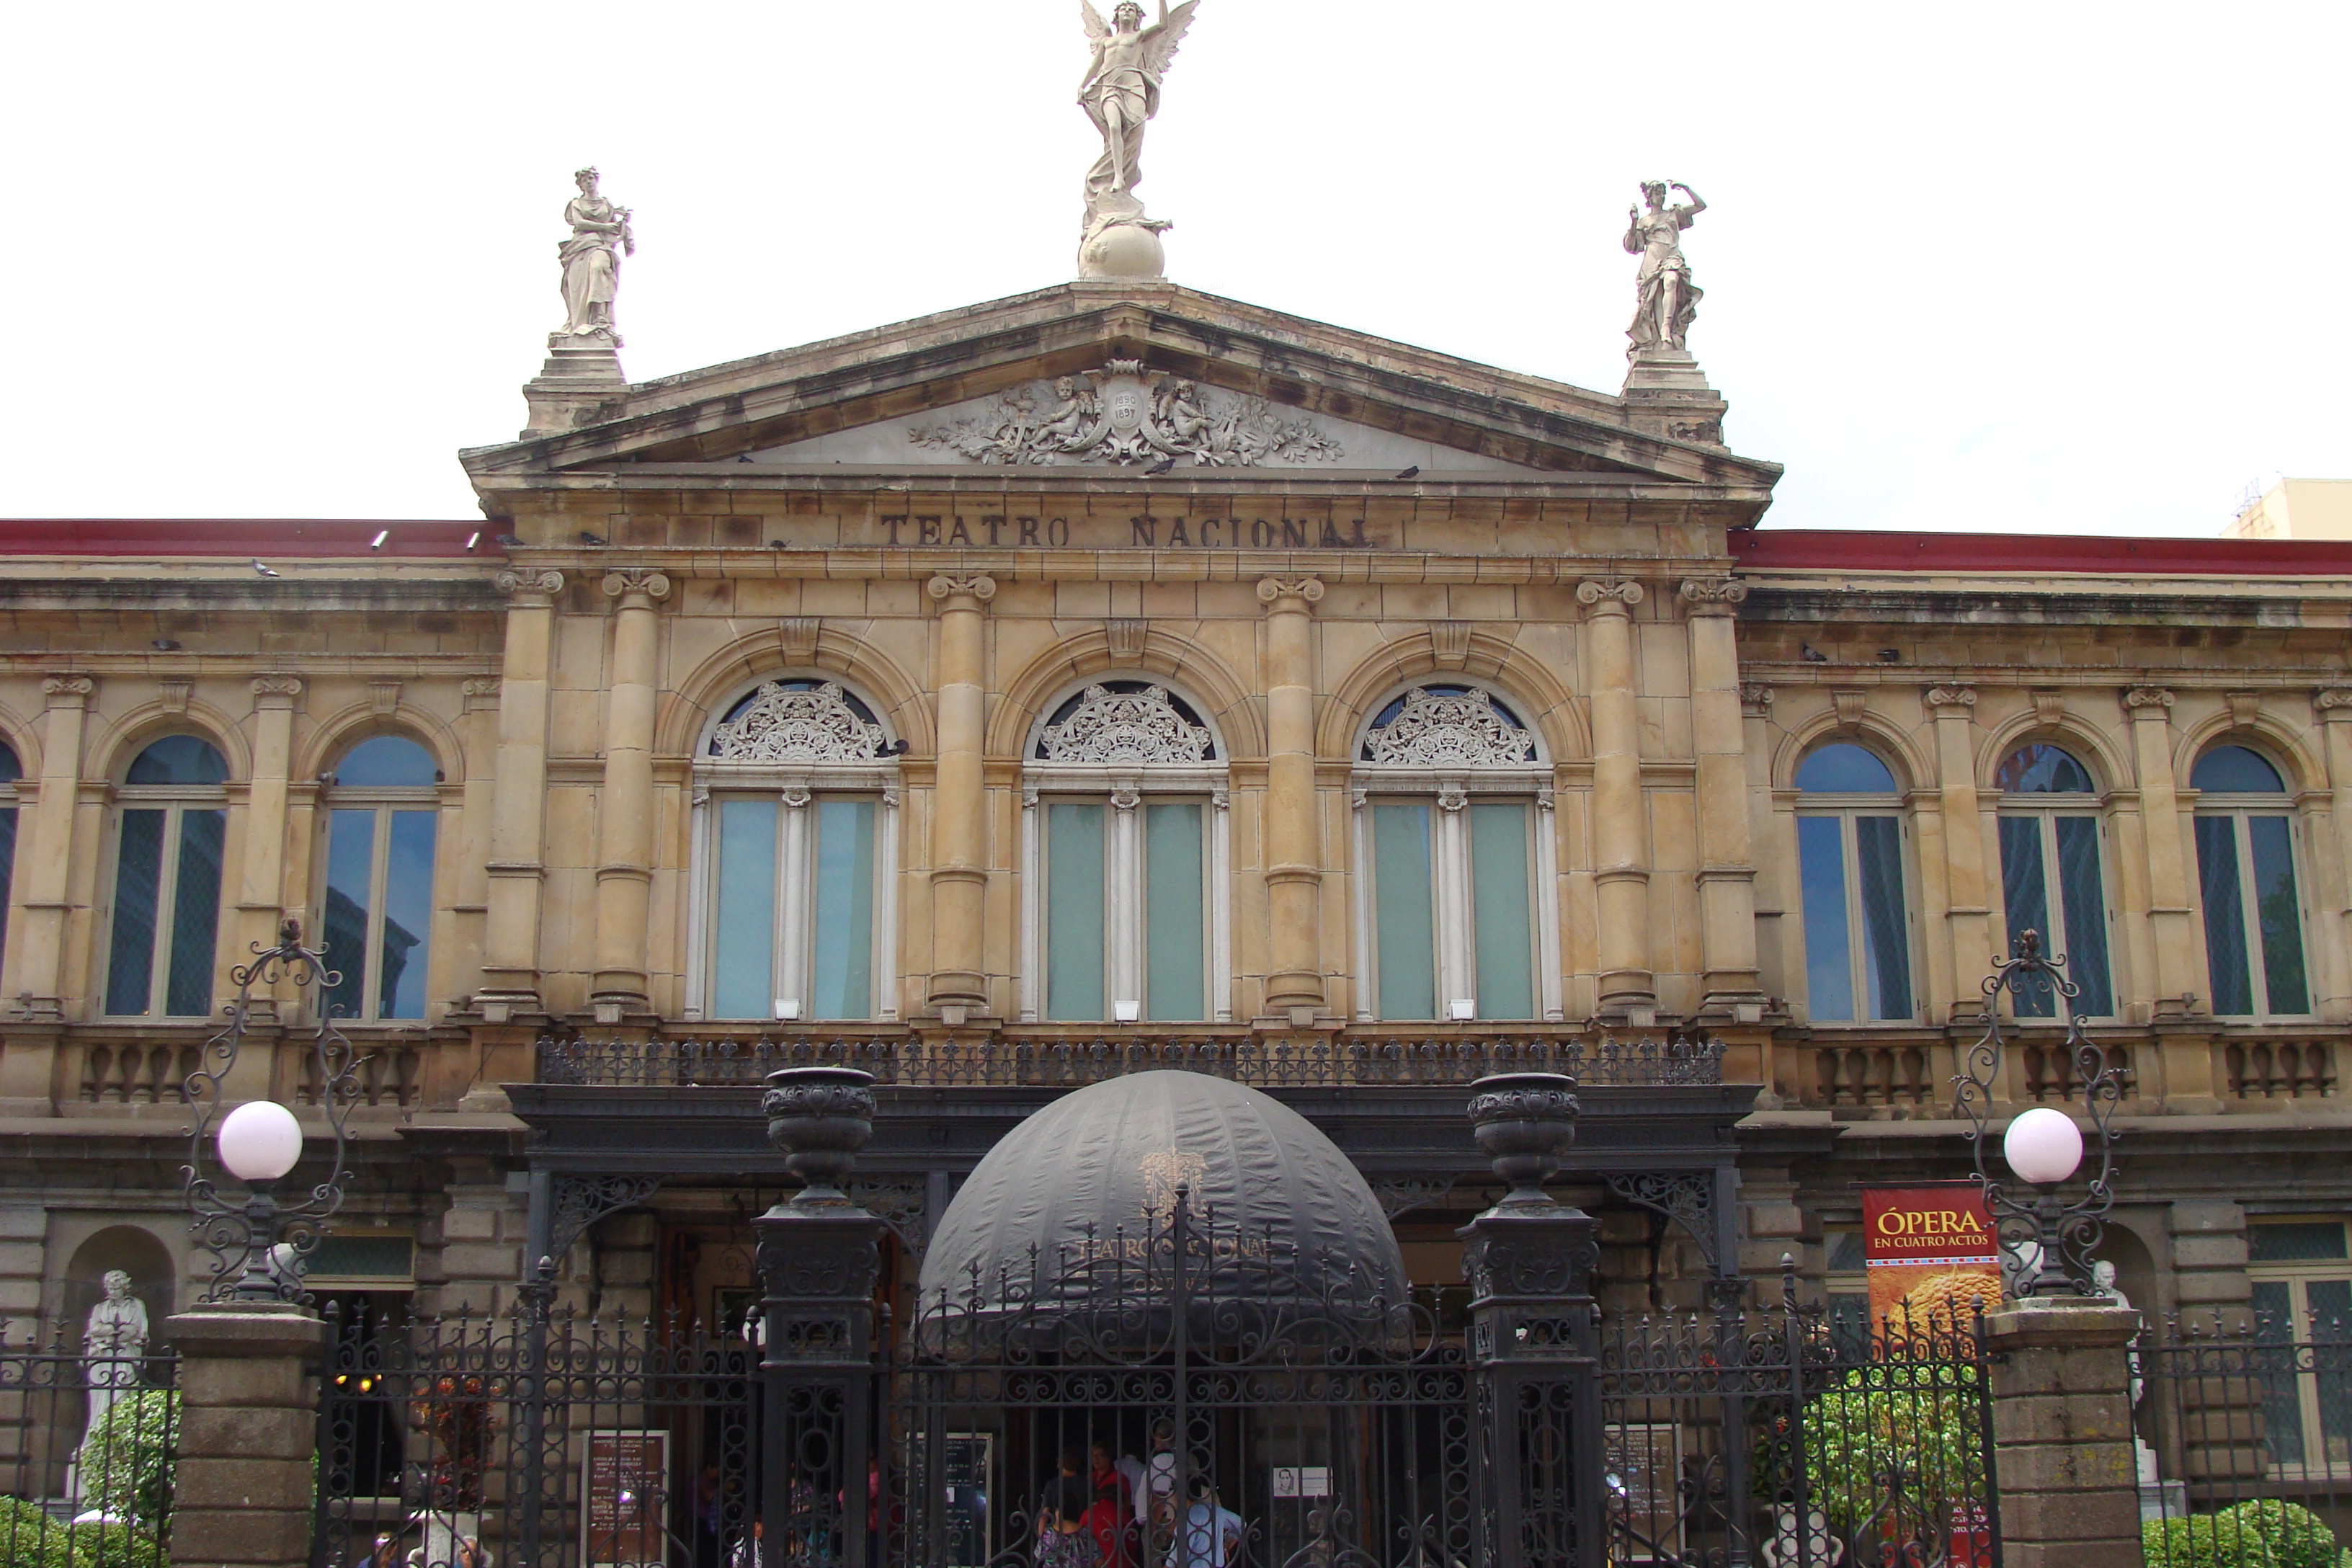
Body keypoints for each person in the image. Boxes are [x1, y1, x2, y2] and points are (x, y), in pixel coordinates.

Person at [1621, 180, 1707, 354]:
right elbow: (1632, 246)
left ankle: (1666, 330)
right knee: (1652, 301)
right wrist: (1634, 222)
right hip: (1652, 260)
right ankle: (1659, 337)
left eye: (1663, 193)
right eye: (1658, 193)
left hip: (1672, 255)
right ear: (1650, 196)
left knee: (1671, 281)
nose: (1662, 196)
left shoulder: (1674, 214)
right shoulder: (1644, 221)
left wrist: (1686, 188)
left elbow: (1701, 205)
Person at [558, 167, 633, 340]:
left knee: (599, 269)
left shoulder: (606, 203)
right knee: (579, 286)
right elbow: (579, 223)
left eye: (591, 178)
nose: (589, 182)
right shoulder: (576, 204)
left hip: (602, 245)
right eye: (585, 180)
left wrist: (623, 223)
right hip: (580, 247)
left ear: (596, 180)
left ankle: (601, 319)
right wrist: (605, 227)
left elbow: (614, 228)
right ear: (580, 184)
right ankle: (585, 321)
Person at [1036, 1448, 1100, 1568]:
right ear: (1079, 1463)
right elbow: (1095, 1512)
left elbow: (1044, 1517)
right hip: (1082, 1534)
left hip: (1057, 1534)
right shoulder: (1088, 1484)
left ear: (1059, 1463)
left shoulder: (1052, 1485)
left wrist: (1043, 1540)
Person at [1168, 1480, 1243, 1568]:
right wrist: (1226, 1545)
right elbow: (1241, 1524)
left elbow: (1178, 1552)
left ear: (1178, 1496)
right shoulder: (1216, 1511)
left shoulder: (1188, 1518)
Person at [1084, 1444, 1133, 1568]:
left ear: (1109, 1458)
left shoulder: (1119, 1478)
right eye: (1092, 1455)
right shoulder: (1088, 1479)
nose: (1095, 1459)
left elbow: (1127, 1504)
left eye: (1100, 1455)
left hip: (1113, 1531)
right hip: (1094, 1533)